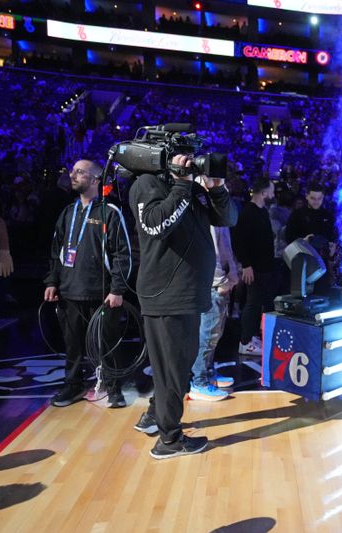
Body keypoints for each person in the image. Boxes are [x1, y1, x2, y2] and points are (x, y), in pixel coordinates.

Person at [130, 154, 236, 459]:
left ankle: (155, 418)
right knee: (173, 371)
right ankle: (169, 439)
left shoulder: (193, 190)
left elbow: (228, 218)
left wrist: (215, 188)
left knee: (173, 369)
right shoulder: (147, 183)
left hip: (187, 294)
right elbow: (156, 225)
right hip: (168, 294)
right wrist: (180, 185)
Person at [43, 159, 131, 408]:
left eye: (79, 172)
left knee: (107, 344)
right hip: (70, 291)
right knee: (72, 346)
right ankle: (73, 385)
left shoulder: (110, 212)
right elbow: (56, 251)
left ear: (95, 180)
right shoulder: (67, 213)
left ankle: (113, 388)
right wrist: (52, 281)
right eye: (72, 171)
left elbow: (122, 254)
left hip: (101, 293)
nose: (72, 175)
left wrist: (117, 289)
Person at [189, 222, 239, 402]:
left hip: (219, 284)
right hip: (213, 285)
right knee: (207, 335)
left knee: (213, 335)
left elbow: (224, 248)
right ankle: (199, 383)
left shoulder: (217, 212)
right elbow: (210, 253)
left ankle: (207, 375)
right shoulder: (209, 215)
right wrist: (221, 282)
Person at [233, 179, 276, 356]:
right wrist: (247, 265)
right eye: (271, 191)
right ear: (264, 193)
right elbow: (239, 241)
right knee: (252, 303)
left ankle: (250, 336)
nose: (274, 194)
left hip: (265, 266)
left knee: (258, 302)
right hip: (254, 267)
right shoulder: (248, 213)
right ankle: (245, 341)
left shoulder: (262, 212)